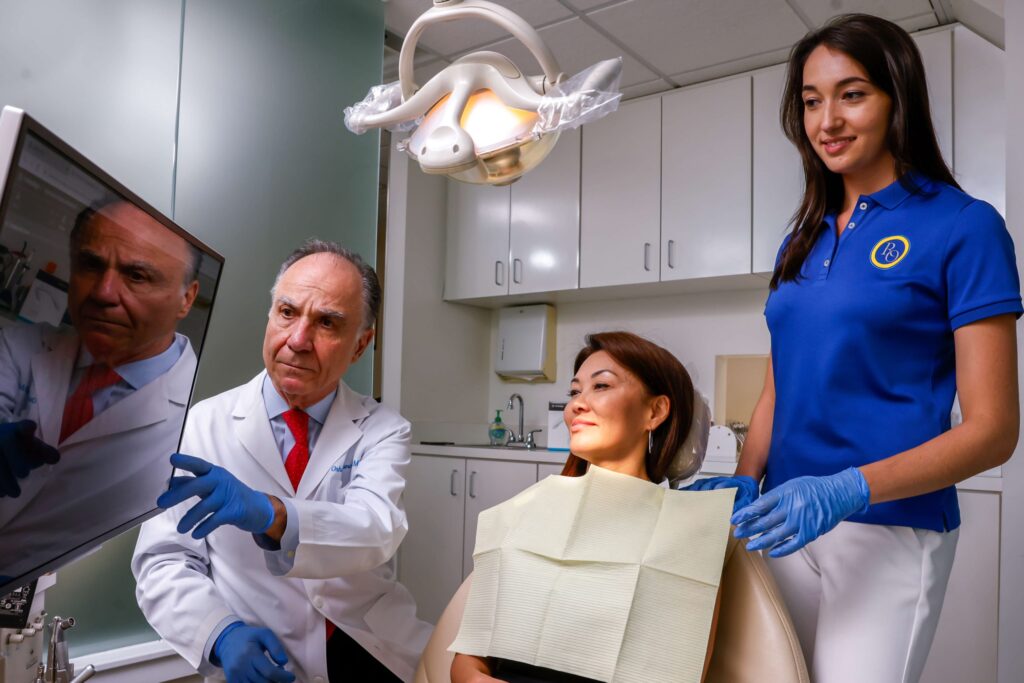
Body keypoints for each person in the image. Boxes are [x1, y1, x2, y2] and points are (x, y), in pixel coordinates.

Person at [685, 14, 1021, 683]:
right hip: (783, 523)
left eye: (852, 93)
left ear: (898, 98)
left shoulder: (964, 226)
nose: (827, 120)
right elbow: (782, 381)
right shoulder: (801, 237)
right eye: (811, 101)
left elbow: (993, 431)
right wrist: (751, 476)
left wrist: (848, 487)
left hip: (891, 526)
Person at [133, 240, 432, 683]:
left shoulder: (383, 429)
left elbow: (376, 527)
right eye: (287, 313)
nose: (298, 340)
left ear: (360, 345)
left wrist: (273, 514)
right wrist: (220, 633)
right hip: (264, 655)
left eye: (327, 322)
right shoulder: (201, 424)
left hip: (371, 647)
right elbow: (164, 559)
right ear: (270, 316)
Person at [452, 331, 718, 683]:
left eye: (602, 386)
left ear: (655, 411)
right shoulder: (525, 513)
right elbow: (466, 664)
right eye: (574, 391)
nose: (577, 404)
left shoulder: (686, 535)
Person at [0, 200, 200, 582]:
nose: (104, 292)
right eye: (91, 265)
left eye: (137, 275)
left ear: (185, 299)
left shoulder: (201, 411)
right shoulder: (19, 345)